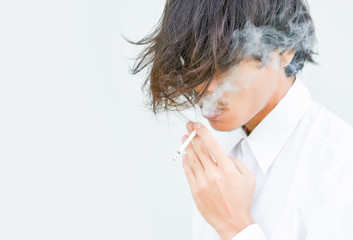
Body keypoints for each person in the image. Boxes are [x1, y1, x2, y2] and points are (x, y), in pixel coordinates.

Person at [126, 0, 353, 239]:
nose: (205, 88)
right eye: (194, 63)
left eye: (225, 62)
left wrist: (236, 227)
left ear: (284, 49)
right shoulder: (220, 150)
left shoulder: (340, 170)